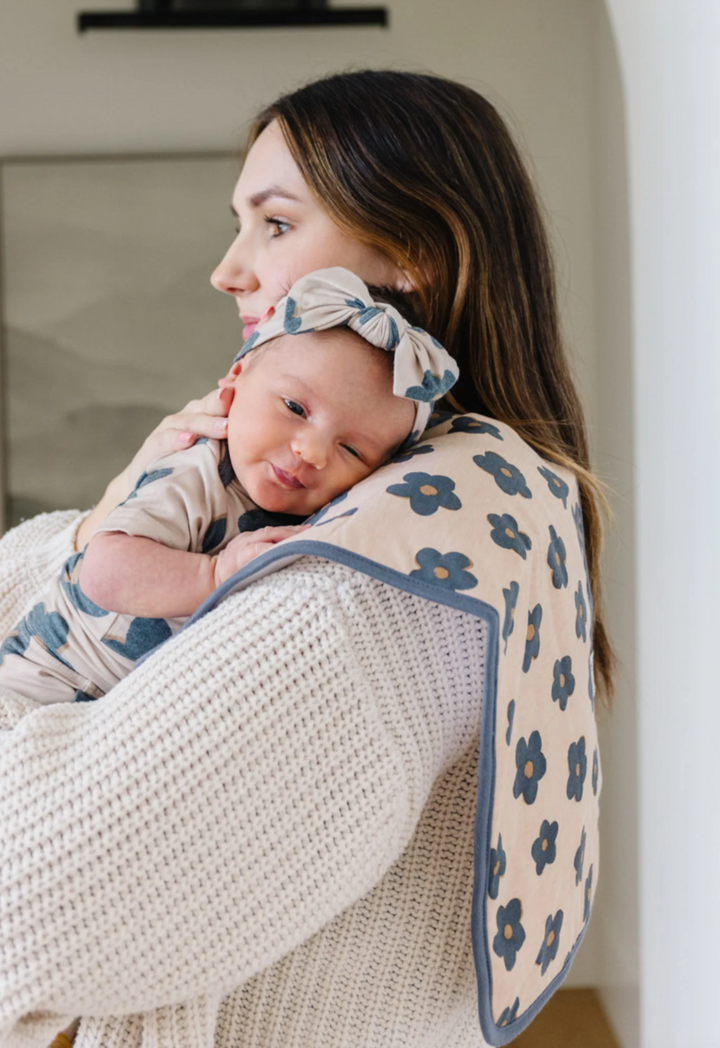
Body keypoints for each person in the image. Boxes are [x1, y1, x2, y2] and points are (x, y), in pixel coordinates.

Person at [0, 70, 615, 1048]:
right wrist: (98, 534)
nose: (229, 269)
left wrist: (94, 563)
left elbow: (23, 900)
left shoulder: (364, 583)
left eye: (276, 223)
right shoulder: (477, 499)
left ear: (413, 252)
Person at [0, 269, 452, 706]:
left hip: (114, 702)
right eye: (295, 407)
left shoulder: (314, 514)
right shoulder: (197, 472)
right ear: (234, 385)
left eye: (352, 450)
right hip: (45, 679)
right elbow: (104, 570)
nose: (312, 451)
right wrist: (213, 576)